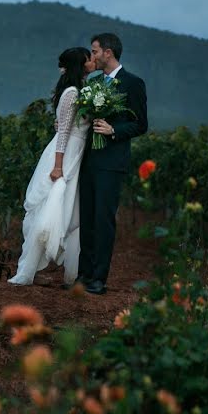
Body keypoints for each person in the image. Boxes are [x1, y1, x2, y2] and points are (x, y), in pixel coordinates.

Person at [8, 47, 95, 286]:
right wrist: (58, 167)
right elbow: (64, 131)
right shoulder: (71, 92)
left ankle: (73, 274)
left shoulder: (83, 90)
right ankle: (26, 271)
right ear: (81, 63)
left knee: (71, 209)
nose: (92, 61)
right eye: (88, 59)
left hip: (76, 155)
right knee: (52, 207)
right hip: (64, 155)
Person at [75, 33, 149, 295]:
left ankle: (98, 279)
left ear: (108, 53)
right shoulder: (94, 82)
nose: (92, 56)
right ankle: (83, 275)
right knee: (88, 218)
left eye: (94, 51)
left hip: (112, 162)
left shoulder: (133, 83)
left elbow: (141, 124)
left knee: (104, 220)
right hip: (89, 160)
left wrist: (113, 129)